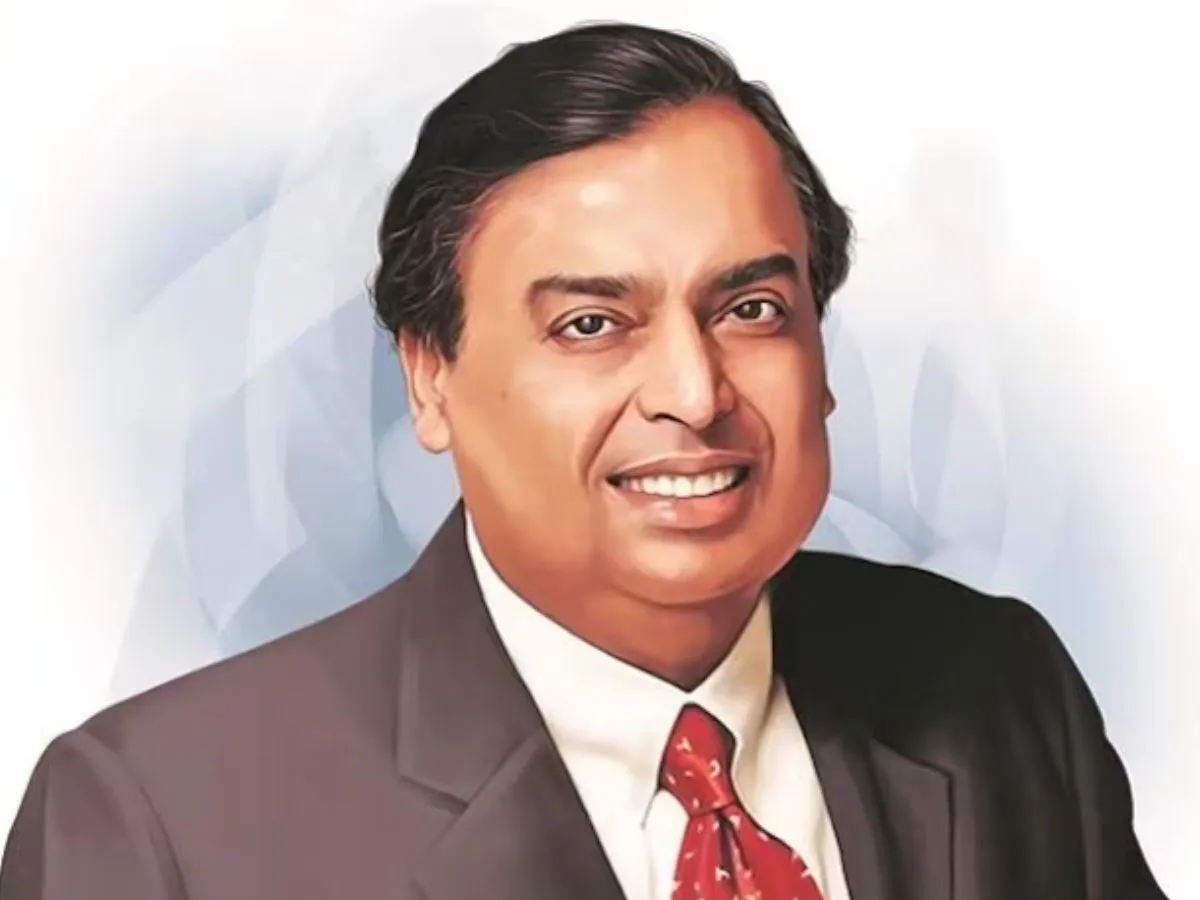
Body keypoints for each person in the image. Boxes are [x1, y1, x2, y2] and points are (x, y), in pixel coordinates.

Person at [0, 21, 1168, 900]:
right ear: (430, 376)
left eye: (751, 309)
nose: (694, 393)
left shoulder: (999, 688)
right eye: (592, 325)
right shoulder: (163, 822)